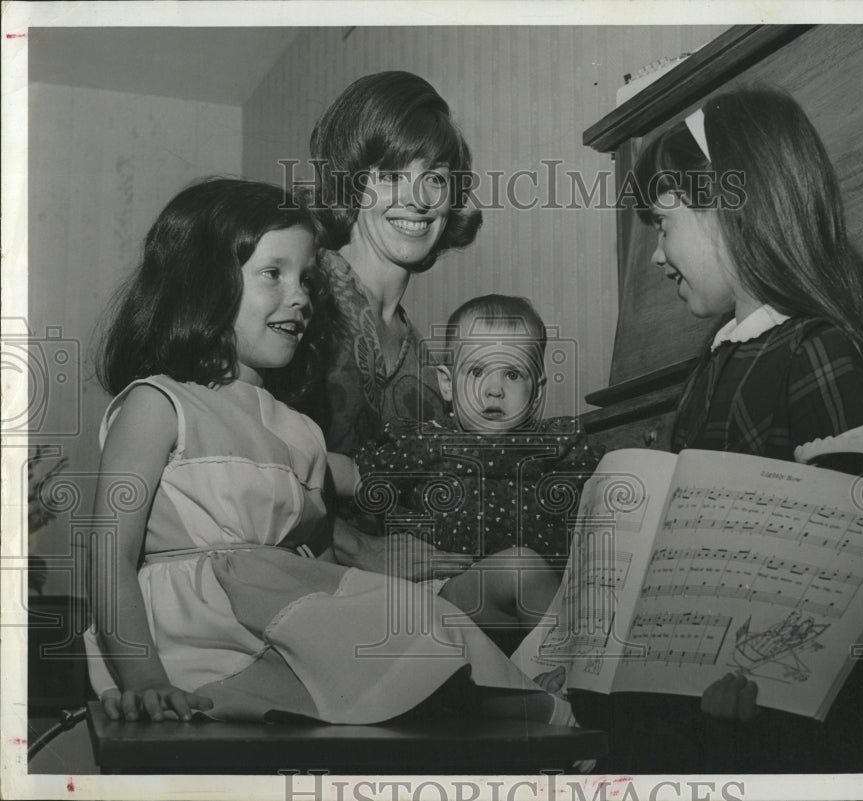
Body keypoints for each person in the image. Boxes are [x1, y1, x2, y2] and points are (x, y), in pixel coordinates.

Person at [84, 178, 572, 728]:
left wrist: (488, 439)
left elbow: (373, 482)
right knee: (416, 645)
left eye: (306, 279)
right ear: (203, 282)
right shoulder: (159, 403)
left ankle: (546, 713)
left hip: (286, 616)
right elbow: (109, 556)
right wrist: (143, 679)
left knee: (436, 616)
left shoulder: (297, 428)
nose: (300, 297)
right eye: (274, 274)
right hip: (189, 642)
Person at [572, 87, 863, 772]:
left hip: (761, 688)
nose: (657, 257)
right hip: (688, 667)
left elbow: (843, 548)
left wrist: (769, 668)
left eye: (663, 225)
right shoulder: (714, 362)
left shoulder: (815, 349)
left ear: (729, 207)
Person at [302, 70, 485, 580]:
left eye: (436, 178)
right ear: (351, 184)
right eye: (390, 175)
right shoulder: (300, 298)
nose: (419, 199)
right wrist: (358, 549)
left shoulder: (426, 362)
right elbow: (244, 456)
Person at [329, 295, 603, 632]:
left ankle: (556, 669)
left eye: (513, 374)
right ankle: (560, 671)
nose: (493, 390)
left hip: (545, 595)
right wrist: (293, 458)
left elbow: (603, 501)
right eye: (476, 371)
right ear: (446, 383)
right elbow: (354, 475)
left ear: (537, 392)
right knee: (521, 569)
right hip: (444, 591)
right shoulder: (427, 441)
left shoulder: (556, 447)